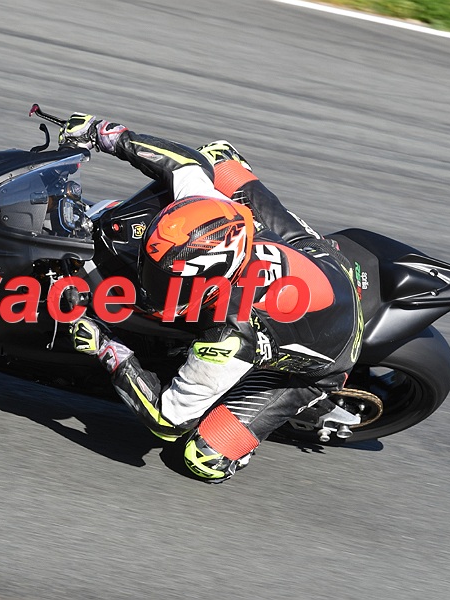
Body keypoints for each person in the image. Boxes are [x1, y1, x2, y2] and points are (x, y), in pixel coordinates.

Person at [59, 113, 364, 482]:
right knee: (216, 157)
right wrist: (106, 134)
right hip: (316, 256)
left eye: (167, 279)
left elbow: (167, 420)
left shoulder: (231, 336)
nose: (151, 282)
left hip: (325, 359)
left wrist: (107, 348)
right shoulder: (208, 213)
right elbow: (187, 164)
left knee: (202, 459)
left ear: (212, 281)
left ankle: (298, 408)